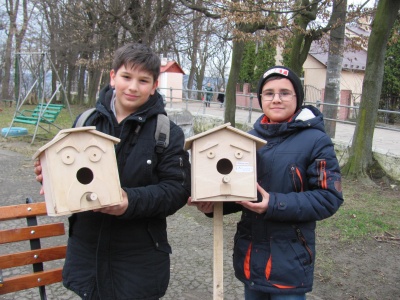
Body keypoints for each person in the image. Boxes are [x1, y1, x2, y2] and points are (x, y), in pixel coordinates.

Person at [34, 43, 191, 300]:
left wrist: (129, 201)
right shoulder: (85, 122)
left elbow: (177, 189)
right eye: (126, 77)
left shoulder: (166, 132)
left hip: (139, 258)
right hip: (88, 252)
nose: (132, 87)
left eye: (143, 80)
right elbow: (69, 173)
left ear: (154, 86)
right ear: (112, 77)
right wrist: (50, 176)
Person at [188, 66, 343, 300]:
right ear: (260, 98)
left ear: (297, 98)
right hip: (252, 257)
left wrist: (274, 204)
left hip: (289, 261)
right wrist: (214, 204)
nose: (276, 99)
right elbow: (245, 190)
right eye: (269, 93)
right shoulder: (249, 139)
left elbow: (329, 197)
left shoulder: (316, 140)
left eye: (285, 92)